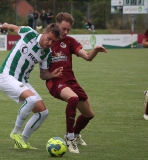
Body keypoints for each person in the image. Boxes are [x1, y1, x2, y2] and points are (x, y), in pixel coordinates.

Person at [43, 12, 107, 153]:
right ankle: (69, 137)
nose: (65, 32)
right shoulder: (47, 40)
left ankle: (76, 134)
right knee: (73, 98)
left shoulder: (70, 41)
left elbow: (87, 57)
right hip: (55, 81)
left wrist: (95, 50)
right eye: (63, 28)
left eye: (68, 30)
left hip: (71, 81)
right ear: (57, 24)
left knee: (89, 114)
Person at [0, 23, 62, 149]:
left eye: (53, 41)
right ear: (43, 33)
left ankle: (22, 142)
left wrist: (52, 75)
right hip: (6, 76)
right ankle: (16, 132)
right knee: (31, 99)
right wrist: (5, 25)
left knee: (43, 113)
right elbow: (14, 28)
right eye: (49, 38)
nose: (49, 43)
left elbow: (43, 75)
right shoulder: (29, 33)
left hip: (22, 81)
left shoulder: (47, 53)